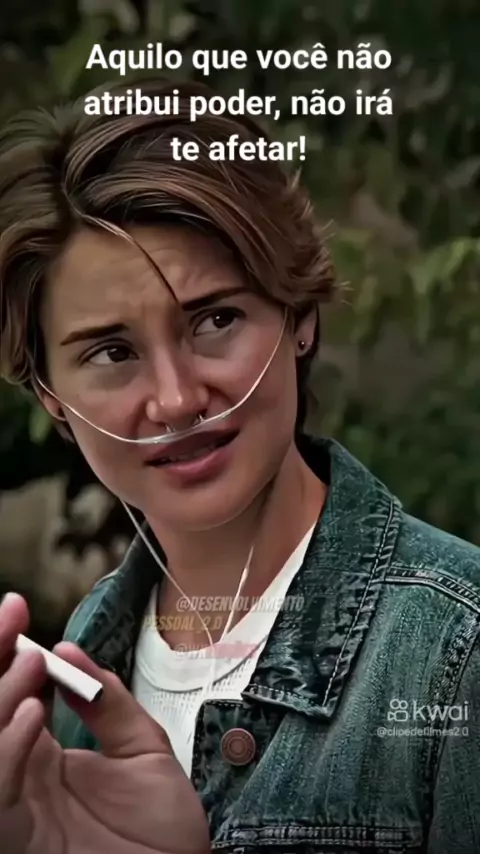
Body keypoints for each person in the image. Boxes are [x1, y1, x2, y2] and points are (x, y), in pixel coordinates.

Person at [0, 78, 479, 854]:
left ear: (299, 313)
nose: (177, 399)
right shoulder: (79, 663)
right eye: (112, 352)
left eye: (215, 319)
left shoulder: (454, 652)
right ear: (50, 395)